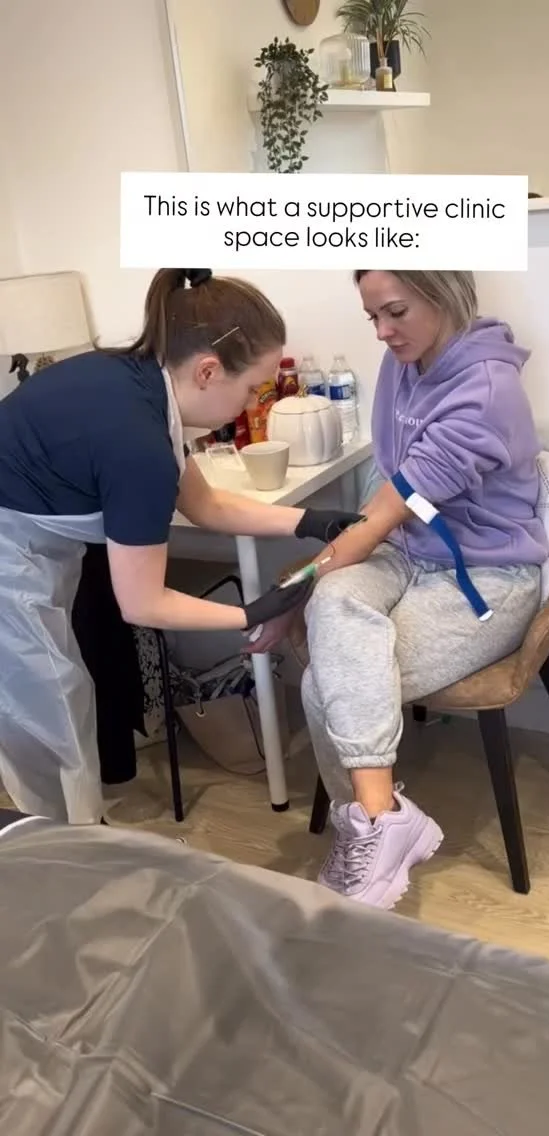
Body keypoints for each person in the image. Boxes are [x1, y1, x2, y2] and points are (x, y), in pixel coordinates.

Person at [0, 267, 361, 825]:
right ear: (208, 370)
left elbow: (206, 506)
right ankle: (66, 853)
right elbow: (142, 603)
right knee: (50, 715)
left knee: (59, 700)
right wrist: (248, 614)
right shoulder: (136, 439)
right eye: (253, 389)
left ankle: (73, 834)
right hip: (11, 555)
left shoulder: (138, 382)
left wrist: (313, 521)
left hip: (32, 547)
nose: (254, 403)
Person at [249, 269, 549, 910]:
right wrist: (302, 595)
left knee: (327, 682)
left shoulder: (486, 390)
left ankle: (368, 829)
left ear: (443, 293)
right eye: (373, 317)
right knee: (335, 607)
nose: (383, 332)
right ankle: (382, 823)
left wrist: (287, 597)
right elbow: (383, 502)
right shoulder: (402, 362)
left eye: (396, 312)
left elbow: (381, 515)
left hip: (485, 573)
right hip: (403, 553)